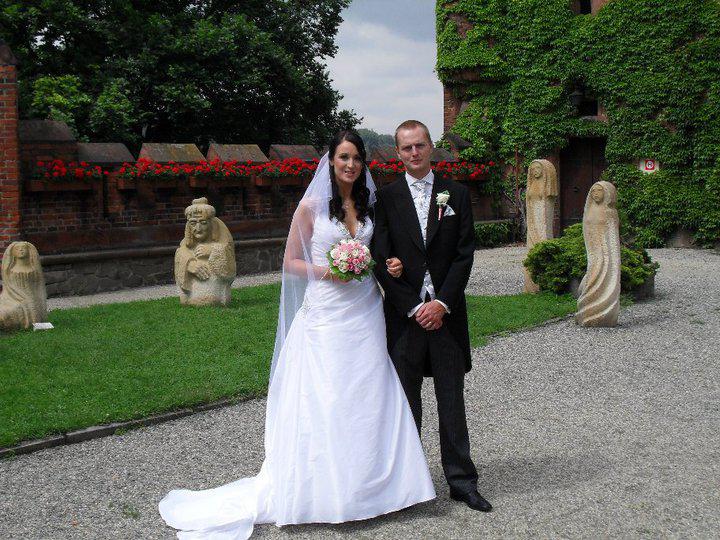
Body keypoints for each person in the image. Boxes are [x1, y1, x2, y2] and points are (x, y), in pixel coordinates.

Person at [159, 130, 435, 539]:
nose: (351, 165)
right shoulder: (310, 207)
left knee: (369, 393)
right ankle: (326, 491)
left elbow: (378, 254)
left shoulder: (370, 205)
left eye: (357, 158)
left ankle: (376, 488)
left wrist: (388, 264)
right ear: (331, 161)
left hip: (365, 311)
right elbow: (290, 261)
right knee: (328, 395)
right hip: (326, 312)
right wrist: (329, 271)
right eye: (344, 157)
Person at [372, 120, 492, 512]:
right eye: (406, 147)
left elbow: (464, 254)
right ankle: (408, 485)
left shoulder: (456, 193)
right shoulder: (385, 198)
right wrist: (413, 305)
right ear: (398, 153)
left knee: (451, 401)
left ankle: (462, 481)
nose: (414, 153)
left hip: (446, 316)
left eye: (420, 145)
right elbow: (380, 257)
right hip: (405, 318)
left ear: (430, 147)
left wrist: (441, 304)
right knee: (406, 403)